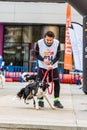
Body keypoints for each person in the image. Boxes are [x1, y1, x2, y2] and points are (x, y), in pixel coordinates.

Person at [34, 31, 63, 109]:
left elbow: (58, 55)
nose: (49, 41)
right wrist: (43, 60)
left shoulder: (57, 43)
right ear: (45, 38)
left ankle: (56, 101)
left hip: (53, 66)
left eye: (51, 40)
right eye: (47, 40)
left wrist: (52, 62)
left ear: (53, 39)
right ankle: (40, 101)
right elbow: (36, 54)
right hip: (42, 66)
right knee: (40, 83)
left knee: (56, 82)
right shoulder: (39, 43)